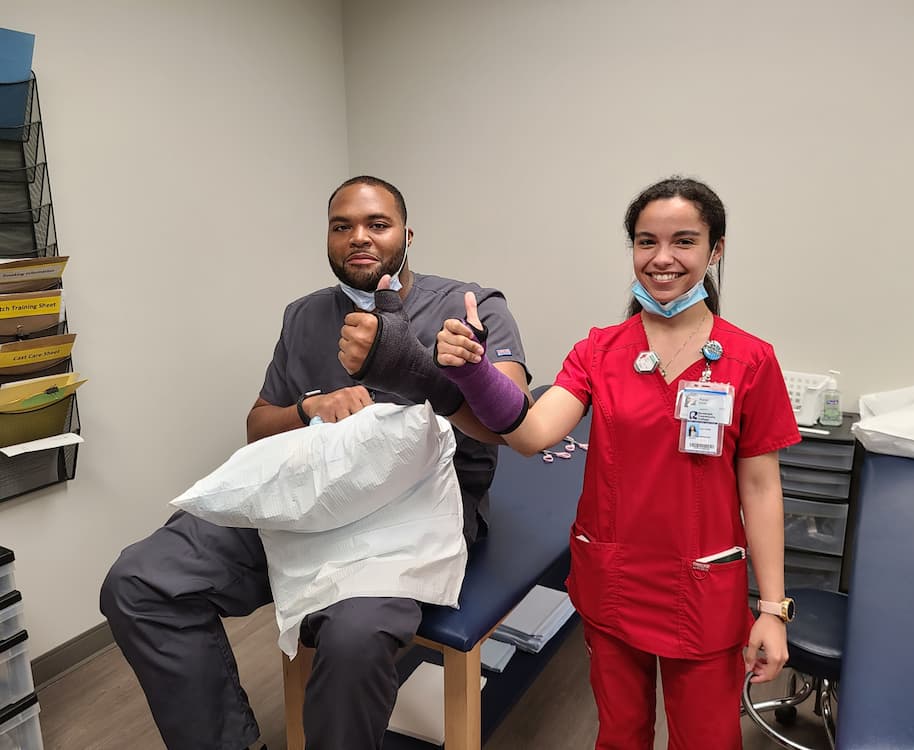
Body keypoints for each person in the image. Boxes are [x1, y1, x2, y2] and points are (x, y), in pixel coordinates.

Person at [99, 176, 531, 750]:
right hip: (308, 499)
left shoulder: (467, 305)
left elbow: (514, 420)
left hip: (414, 516)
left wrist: (421, 369)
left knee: (353, 639)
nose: (360, 237)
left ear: (407, 234)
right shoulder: (303, 317)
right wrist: (311, 407)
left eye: (378, 224)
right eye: (342, 226)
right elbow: (258, 427)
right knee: (138, 581)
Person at [435, 177, 800, 749]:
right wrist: (474, 373)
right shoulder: (599, 351)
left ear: (716, 249)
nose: (662, 258)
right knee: (621, 735)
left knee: (708, 740)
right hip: (614, 581)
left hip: (701, 587)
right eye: (645, 241)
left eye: (684, 241)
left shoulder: (751, 360)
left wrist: (773, 609)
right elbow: (530, 433)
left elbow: (760, 488)